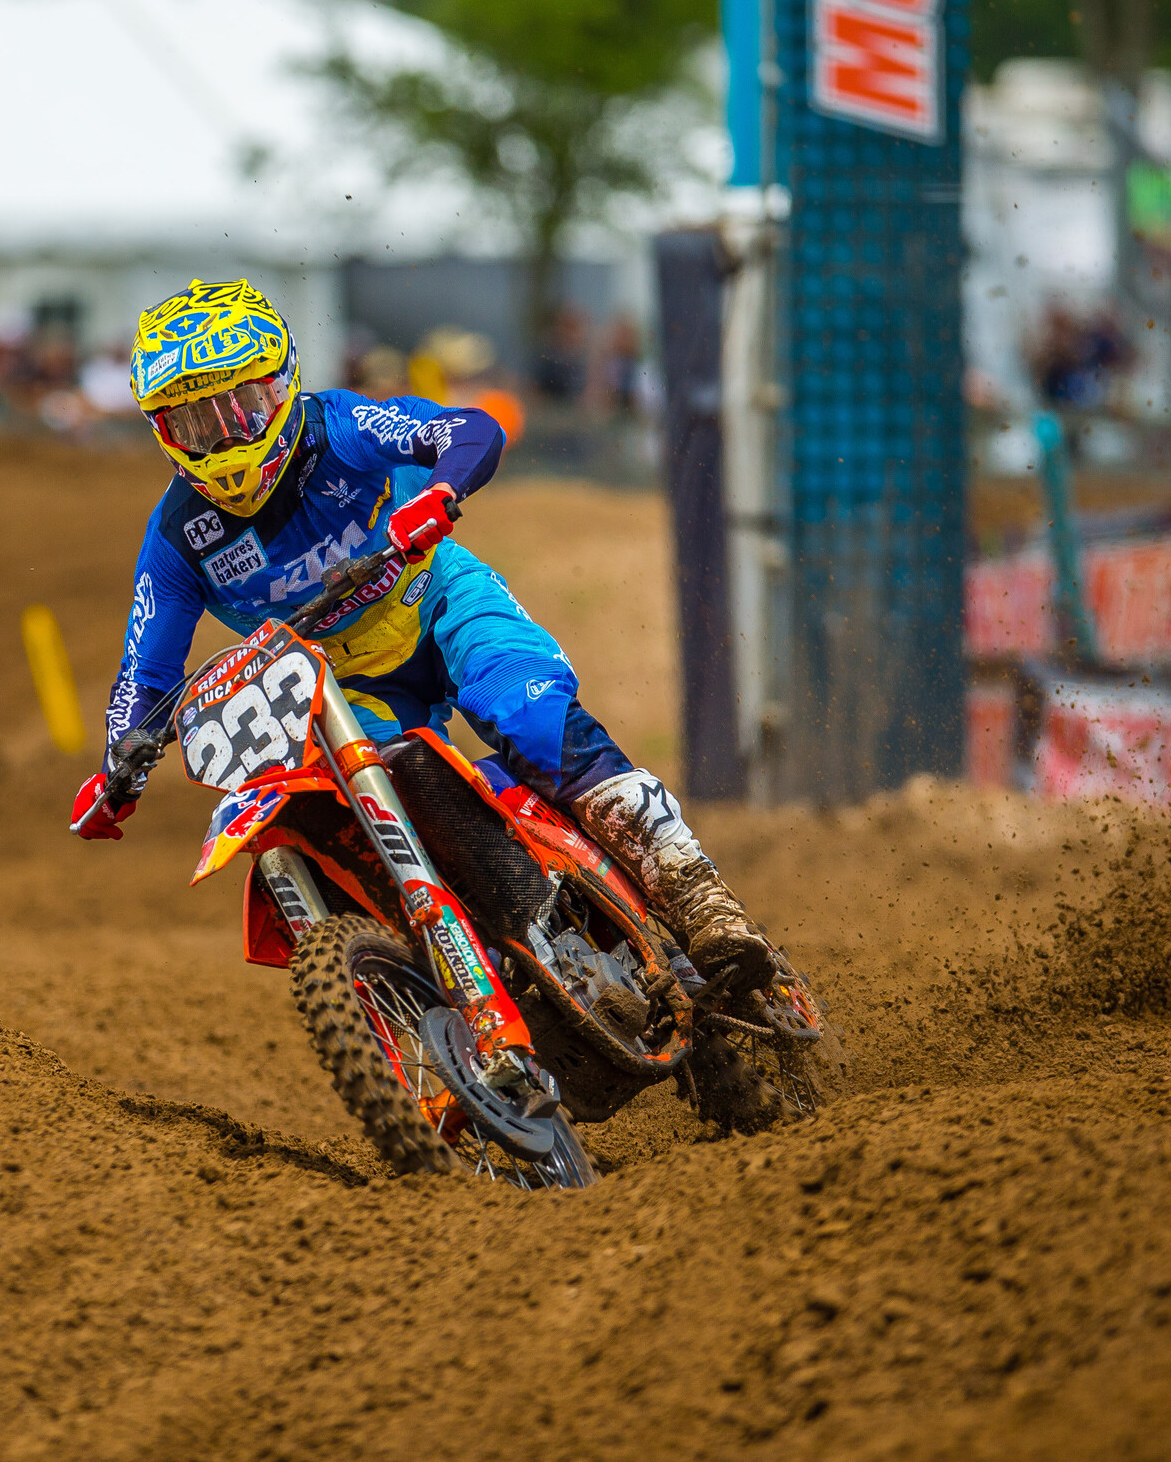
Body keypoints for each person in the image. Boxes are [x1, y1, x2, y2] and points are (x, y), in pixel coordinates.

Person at [69, 279, 777, 1023]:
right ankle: (501, 953)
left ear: (279, 386)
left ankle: (702, 900)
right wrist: (119, 763)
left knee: (529, 721)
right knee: (386, 808)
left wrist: (438, 494)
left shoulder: (338, 427)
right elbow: (147, 669)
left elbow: (468, 429)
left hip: (437, 600)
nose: (222, 439)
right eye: (192, 420)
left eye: (236, 407)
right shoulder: (179, 537)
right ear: (162, 430)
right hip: (342, 683)